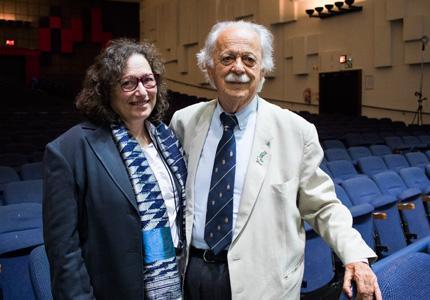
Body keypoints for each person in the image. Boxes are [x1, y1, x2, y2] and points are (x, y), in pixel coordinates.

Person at [170, 21, 381, 299]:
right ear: (208, 66)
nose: (239, 68)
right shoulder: (184, 122)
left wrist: (354, 255)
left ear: (264, 69)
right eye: (227, 58)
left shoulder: (295, 131)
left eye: (249, 59)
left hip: (264, 282)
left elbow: (322, 207)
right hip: (192, 274)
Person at [43, 38, 187, 299]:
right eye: (128, 83)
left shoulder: (168, 140)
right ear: (106, 90)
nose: (142, 92)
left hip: (176, 282)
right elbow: (64, 251)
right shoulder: (69, 150)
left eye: (148, 80)